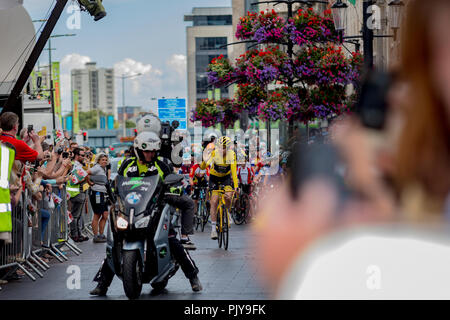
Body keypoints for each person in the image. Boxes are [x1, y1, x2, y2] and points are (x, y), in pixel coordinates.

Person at [89, 131, 202, 296]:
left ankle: (193, 276)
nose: (150, 154)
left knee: (171, 239)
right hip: (130, 210)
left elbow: (175, 182)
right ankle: (102, 283)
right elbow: (117, 184)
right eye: (146, 151)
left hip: (155, 209)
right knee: (116, 241)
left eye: (152, 151)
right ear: (138, 150)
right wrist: (111, 193)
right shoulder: (127, 164)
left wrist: (172, 190)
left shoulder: (162, 164)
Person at [200, 136, 238, 240]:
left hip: (226, 178)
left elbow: (234, 171)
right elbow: (203, 167)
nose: (222, 150)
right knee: (214, 201)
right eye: (220, 147)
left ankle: (228, 213)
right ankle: (213, 229)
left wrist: (236, 185)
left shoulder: (232, 155)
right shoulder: (214, 153)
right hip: (214, 178)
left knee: (228, 196)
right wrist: (205, 159)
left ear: (229, 148)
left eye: (224, 147)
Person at [67, 148, 89, 242]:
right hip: (76, 192)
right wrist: (84, 177)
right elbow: (74, 179)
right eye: (82, 155)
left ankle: (78, 234)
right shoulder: (74, 165)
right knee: (75, 216)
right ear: (77, 155)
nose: (84, 157)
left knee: (78, 215)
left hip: (80, 192)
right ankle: (75, 235)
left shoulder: (79, 165)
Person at [87, 153, 109, 243]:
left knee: (105, 215)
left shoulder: (103, 169)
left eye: (105, 160)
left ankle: (101, 234)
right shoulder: (96, 167)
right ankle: (96, 236)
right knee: (97, 214)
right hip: (96, 193)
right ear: (98, 160)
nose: (104, 161)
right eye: (102, 160)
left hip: (103, 193)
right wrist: (89, 182)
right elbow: (86, 173)